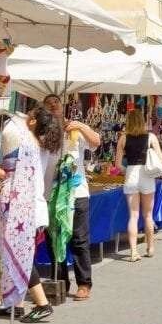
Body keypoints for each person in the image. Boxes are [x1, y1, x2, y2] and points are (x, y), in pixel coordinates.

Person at [0, 107, 56, 323]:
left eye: (31, 114)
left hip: (26, 205)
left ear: (34, 121)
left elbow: (10, 174)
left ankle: (42, 303)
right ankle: (16, 304)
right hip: (33, 204)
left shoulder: (27, 141)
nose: (26, 115)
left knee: (21, 255)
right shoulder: (38, 144)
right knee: (19, 253)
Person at [44, 94, 99, 302]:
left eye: (56, 103)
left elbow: (96, 141)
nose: (53, 106)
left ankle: (84, 283)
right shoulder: (42, 133)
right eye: (48, 104)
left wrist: (80, 125)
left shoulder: (74, 130)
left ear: (62, 105)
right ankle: (59, 282)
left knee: (79, 239)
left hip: (77, 193)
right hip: (50, 195)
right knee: (54, 240)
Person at [115, 109, 162, 261]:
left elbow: (117, 165)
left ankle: (133, 252)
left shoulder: (123, 138)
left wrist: (127, 170)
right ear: (142, 121)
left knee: (133, 216)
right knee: (148, 215)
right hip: (147, 176)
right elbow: (161, 159)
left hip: (131, 174)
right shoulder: (151, 137)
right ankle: (150, 247)